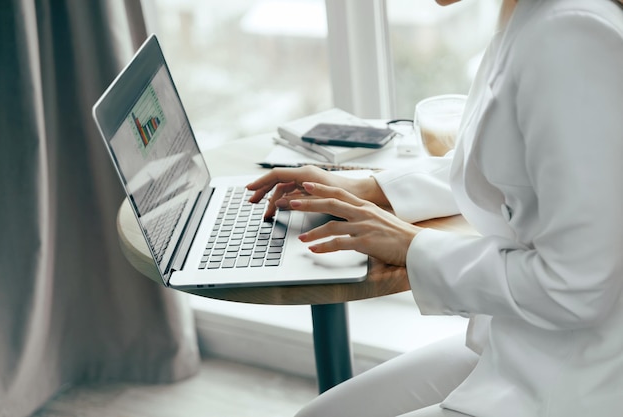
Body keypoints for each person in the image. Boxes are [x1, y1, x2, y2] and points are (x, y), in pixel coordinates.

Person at [246, 0, 623, 416]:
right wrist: (371, 189)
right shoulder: (528, 13)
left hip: (577, 378)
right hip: (526, 343)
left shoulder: (570, 35)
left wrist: (413, 247)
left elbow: (577, 288)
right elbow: (511, 165)